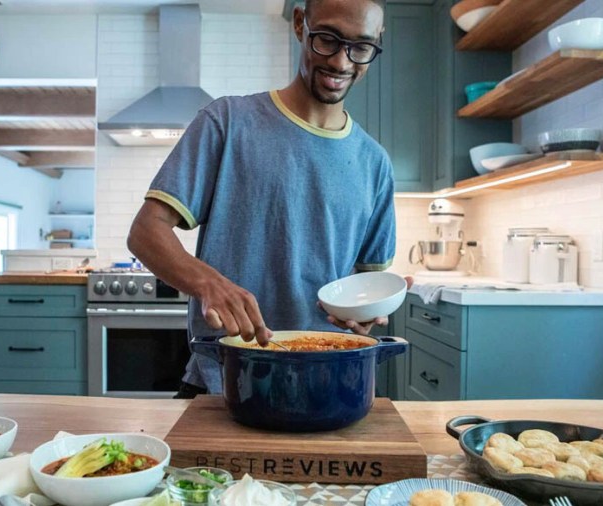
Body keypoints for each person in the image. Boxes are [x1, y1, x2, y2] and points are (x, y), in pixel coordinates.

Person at [128, 0, 403, 398]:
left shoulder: (375, 163)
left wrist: (364, 314)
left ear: (377, 43)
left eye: (361, 47)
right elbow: (145, 232)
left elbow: (364, 280)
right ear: (299, 25)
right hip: (223, 378)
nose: (342, 62)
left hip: (323, 382)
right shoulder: (227, 122)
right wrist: (209, 284)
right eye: (327, 39)